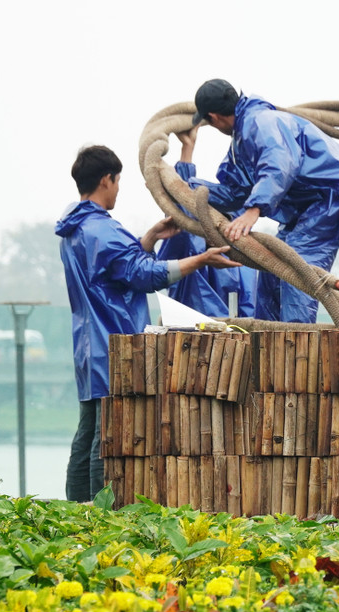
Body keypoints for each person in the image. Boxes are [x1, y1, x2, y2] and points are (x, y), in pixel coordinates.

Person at [57, 144, 239, 502]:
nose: (118, 189)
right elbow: (144, 275)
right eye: (118, 181)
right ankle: (98, 512)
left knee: (87, 431)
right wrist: (200, 259)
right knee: (103, 438)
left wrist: (152, 237)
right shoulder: (103, 230)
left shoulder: (74, 225)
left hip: (87, 343)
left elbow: (116, 269)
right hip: (114, 341)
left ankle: (74, 511)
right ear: (106, 179)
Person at [179, 78, 339, 323]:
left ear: (213, 117)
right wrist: (185, 186)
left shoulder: (261, 122)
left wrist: (254, 209)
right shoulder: (241, 141)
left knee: (298, 275)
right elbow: (236, 192)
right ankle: (266, 345)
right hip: (304, 209)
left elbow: (280, 163)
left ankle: (298, 351)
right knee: (272, 273)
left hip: (328, 200)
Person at [159, 145, 259, 318]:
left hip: (233, 339)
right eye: (210, 226)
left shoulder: (246, 264)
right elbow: (182, 212)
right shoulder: (189, 258)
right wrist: (186, 149)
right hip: (188, 338)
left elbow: (251, 313)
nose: (217, 234)